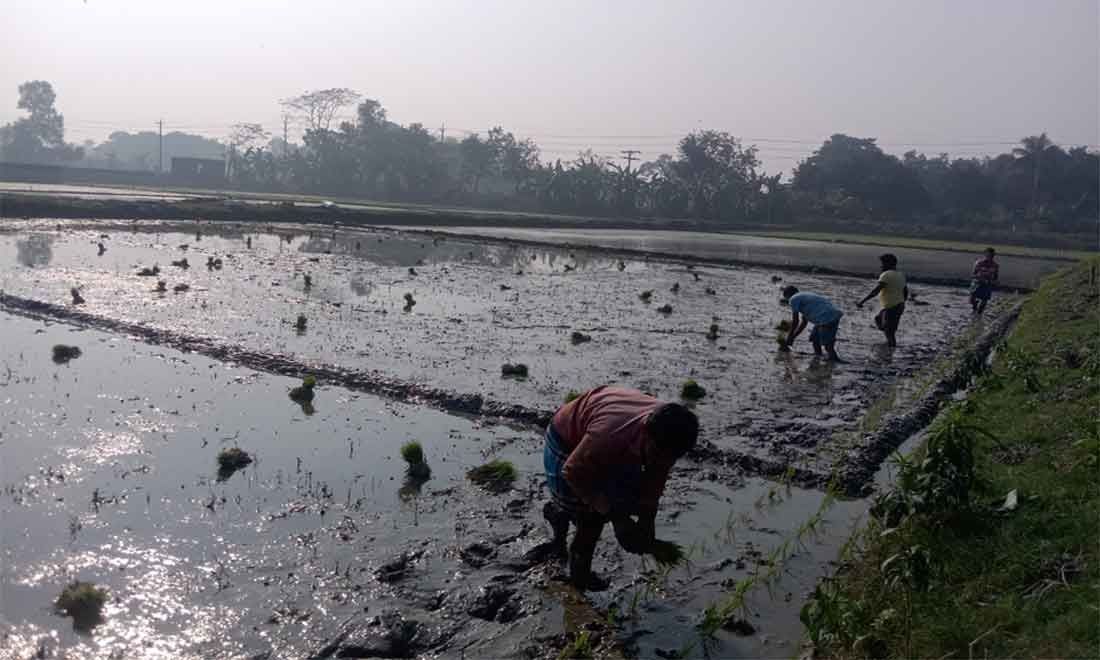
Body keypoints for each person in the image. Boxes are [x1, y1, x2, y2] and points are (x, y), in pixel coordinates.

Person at [539, 386, 698, 590]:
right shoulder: (611, 433)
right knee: (591, 519)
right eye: (658, 454)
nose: (664, 462)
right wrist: (618, 518)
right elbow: (573, 471)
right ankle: (578, 581)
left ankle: (560, 513)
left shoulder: (670, 437)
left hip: (610, 437)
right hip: (567, 438)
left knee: (620, 499)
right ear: (646, 434)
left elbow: (655, 478)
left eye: (671, 457)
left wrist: (647, 522)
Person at [780, 286, 845, 362]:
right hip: (831, 315)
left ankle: (834, 359)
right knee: (815, 338)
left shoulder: (793, 299)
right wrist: (793, 337)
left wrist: (789, 337)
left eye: (786, 298)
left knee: (827, 344)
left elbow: (795, 321)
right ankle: (818, 355)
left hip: (826, 317)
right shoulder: (804, 296)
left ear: (788, 295)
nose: (788, 301)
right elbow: (804, 323)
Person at [857, 253, 908, 348]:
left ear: (888, 264)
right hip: (897, 306)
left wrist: (862, 301)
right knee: (878, 319)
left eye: (883, 263)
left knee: (890, 333)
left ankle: (890, 352)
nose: (881, 266)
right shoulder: (900, 274)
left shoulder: (885, 275)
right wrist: (902, 303)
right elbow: (905, 291)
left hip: (892, 307)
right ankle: (888, 347)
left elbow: (876, 291)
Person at [969, 247, 1000, 313]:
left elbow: (995, 277)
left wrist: (995, 281)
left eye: (991, 255)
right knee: (971, 300)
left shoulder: (995, 265)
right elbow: (973, 274)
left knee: (984, 301)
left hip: (987, 284)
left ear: (993, 256)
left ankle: (979, 315)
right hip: (977, 283)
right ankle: (975, 307)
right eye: (988, 255)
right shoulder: (979, 263)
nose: (989, 257)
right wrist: (978, 277)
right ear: (985, 254)